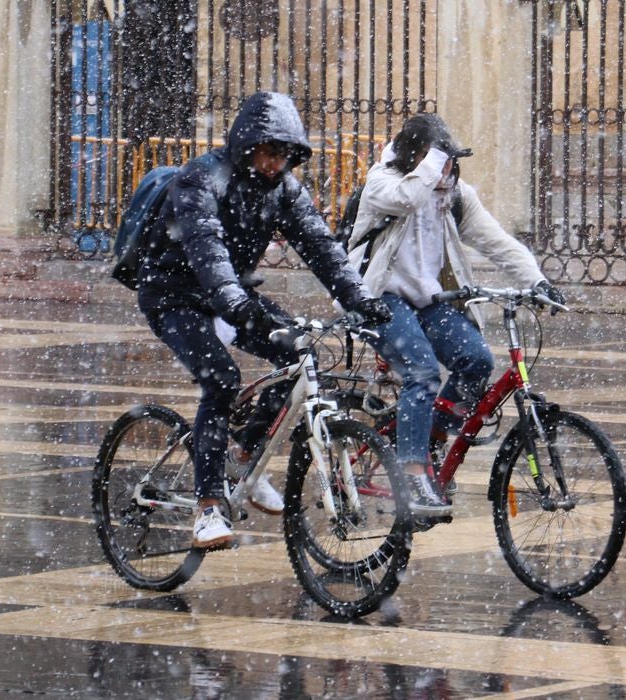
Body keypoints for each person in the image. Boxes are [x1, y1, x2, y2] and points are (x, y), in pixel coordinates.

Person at [136, 91, 392, 549]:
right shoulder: (201, 180)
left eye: (285, 156)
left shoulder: (284, 190)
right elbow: (206, 247)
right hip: (175, 294)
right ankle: (209, 507)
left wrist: (361, 298)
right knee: (220, 378)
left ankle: (246, 454)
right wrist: (232, 299)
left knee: (298, 352)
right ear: (246, 144)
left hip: (232, 296)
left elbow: (322, 249)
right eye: (269, 152)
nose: (276, 164)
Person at [347, 113, 566, 516]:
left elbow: (496, 241)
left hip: (428, 300)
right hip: (379, 300)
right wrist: (433, 163)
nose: (448, 171)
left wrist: (536, 281)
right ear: (415, 158)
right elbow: (407, 199)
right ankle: (412, 476)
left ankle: (427, 438)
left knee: (476, 361)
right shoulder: (382, 183)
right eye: (440, 162)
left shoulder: (455, 195)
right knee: (422, 372)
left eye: (451, 163)